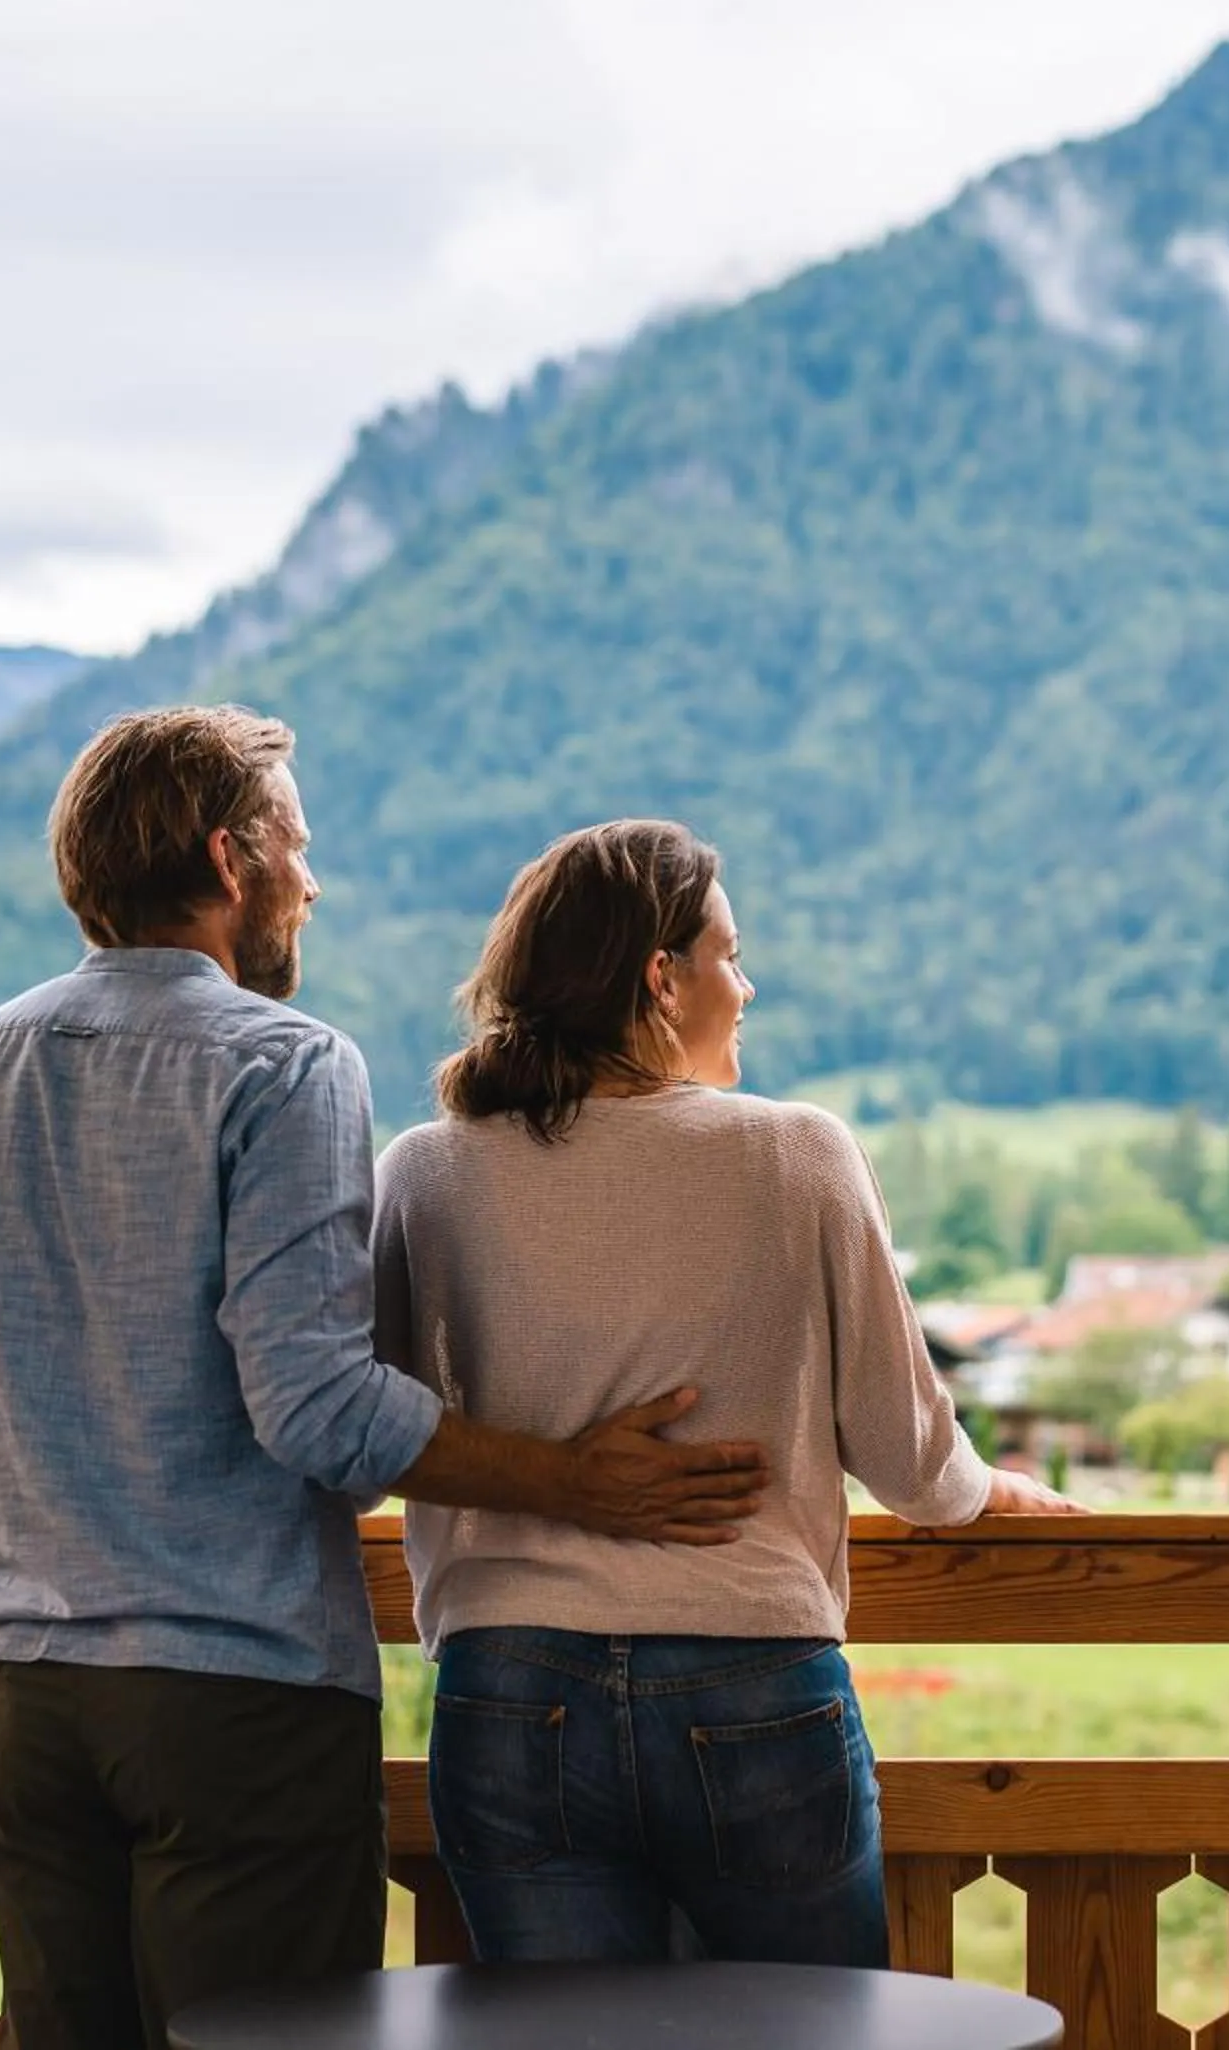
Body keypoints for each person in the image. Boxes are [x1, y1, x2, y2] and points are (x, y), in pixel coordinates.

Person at [0, 710, 771, 2050]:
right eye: (299, 847)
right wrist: (572, 1478)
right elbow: (318, 1408)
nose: (313, 884)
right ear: (231, 859)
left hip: (32, 1703)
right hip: (243, 1704)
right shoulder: (285, 1063)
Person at [372, 819, 1079, 1969]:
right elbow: (912, 1462)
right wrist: (993, 1494)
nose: (745, 988)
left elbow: (378, 1431)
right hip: (751, 1678)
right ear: (661, 976)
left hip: (509, 1688)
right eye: (730, 955)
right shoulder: (799, 1155)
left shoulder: (427, 1170)